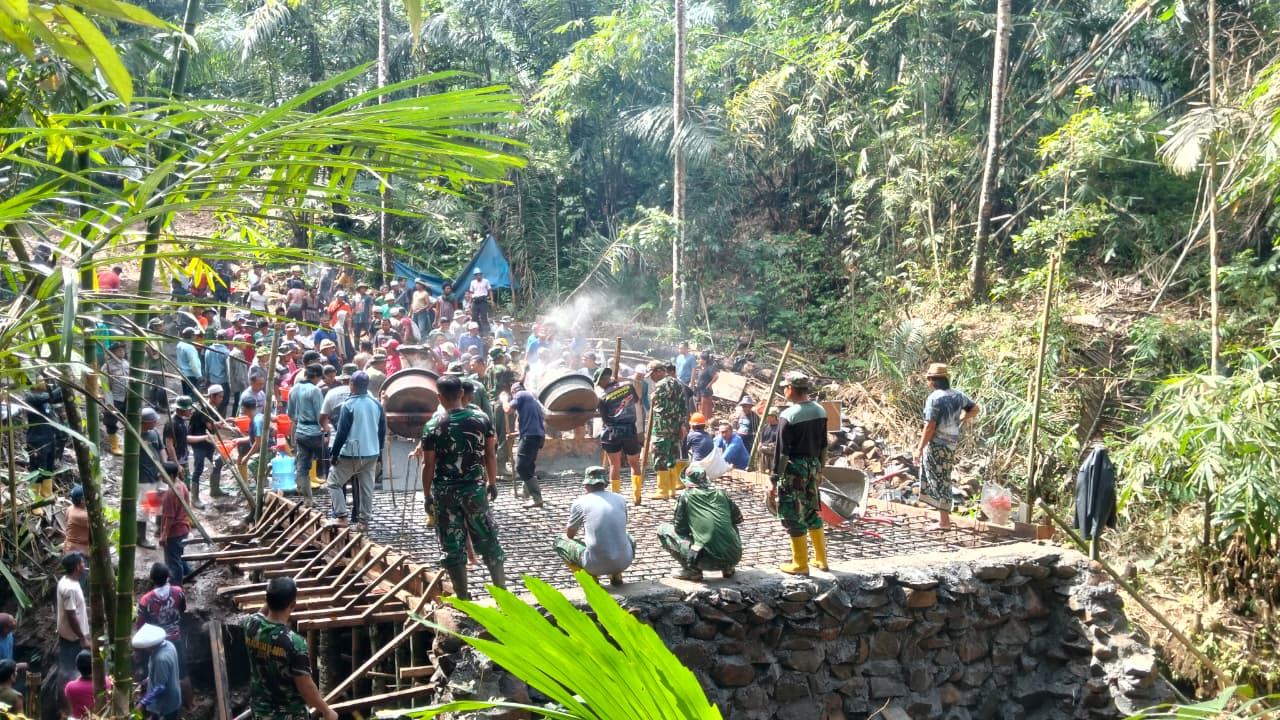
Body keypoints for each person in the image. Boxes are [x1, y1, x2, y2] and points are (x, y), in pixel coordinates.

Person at [420, 375, 505, 600]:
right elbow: (490, 454)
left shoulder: (433, 425)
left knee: (452, 544)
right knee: (488, 539)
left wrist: (427, 495)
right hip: (475, 490)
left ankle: (463, 597)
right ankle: (503, 594)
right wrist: (492, 482)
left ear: (439, 397)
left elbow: (428, 464)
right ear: (462, 394)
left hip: (445, 493)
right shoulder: (481, 418)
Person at [244, 577, 337, 720]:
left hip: (260, 712)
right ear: (293, 604)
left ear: (267, 600)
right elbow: (306, 688)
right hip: (289, 715)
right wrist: (326, 711)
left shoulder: (251, 625)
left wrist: (275, 593)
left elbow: (262, 613)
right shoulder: (294, 643)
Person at [769, 373, 829, 576]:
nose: (784, 390)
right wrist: (820, 469)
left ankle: (800, 564)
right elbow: (823, 445)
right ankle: (821, 559)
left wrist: (774, 479)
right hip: (813, 467)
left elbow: (782, 453)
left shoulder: (789, 416)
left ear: (791, 389)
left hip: (794, 470)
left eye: (785, 386)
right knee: (811, 510)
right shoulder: (820, 410)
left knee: (793, 514)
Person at [913, 363, 980, 530]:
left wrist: (920, 448)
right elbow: (975, 409)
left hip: (936, 445)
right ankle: (943, 518)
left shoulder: (934, 398)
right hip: (950, 445)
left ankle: (944, 522)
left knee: (938, 480)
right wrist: (961, 419)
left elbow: (930, 426)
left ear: (932, 380)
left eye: (928, 379)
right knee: (944, 477)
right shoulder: (958, 395)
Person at [657, 467, 743, 581]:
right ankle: (727, 568)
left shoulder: (685, 497)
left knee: (663, 530)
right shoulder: (721, 494)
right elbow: (738, 518)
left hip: (705, 560)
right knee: (731, 524)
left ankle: (692, 570)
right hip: (733, 557)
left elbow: (680, 529)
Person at [553, 466, 634, 585]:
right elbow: (622, 525)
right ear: (606, 484)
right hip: (624, 562)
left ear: (586, 485)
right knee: (629, 537)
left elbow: (570, 534)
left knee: (560, 541)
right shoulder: (620, 499)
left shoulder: (580, 503)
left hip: (594, 565)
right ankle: (616, 576)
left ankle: (591, 581)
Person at [327, 372, 386, 529]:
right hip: (372, 452)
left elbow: (342, 432)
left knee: (333, 483)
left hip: (352, 453)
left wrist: (334, 454)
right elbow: (382, 430)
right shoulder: (376, 404)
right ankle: (363, 521)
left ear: (351, 385)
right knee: (366, 488)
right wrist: (379, 451)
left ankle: (341, 516)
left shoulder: (349, 405)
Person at [135, 563, 190, 704]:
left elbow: (140, 626)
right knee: (182, 673)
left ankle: (153, 705)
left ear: (151, 579)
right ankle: (190, 704)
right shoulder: (178, 591)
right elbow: (182, 609)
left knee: (155, 675)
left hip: (155, 644)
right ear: (168, 577)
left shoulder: (146, 600)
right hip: (176, 638)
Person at [594, 367, 644, 505]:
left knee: (614, 465)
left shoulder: (603, 398)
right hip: (630, 431)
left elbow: (605, 419)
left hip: (612, 433)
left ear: (604, 380)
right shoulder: (628, 386)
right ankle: (637, 497)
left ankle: (616, 499)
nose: (599, 386)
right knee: (634, 463)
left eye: (599, 383)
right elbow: (635, 401)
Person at [646, 361, 685, 499]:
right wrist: (682, 424)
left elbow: (661, 407)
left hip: (662, 427)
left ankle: (662, 490)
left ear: (659, 371)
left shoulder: (662, 385)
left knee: (659, 455)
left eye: (652, 374)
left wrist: (654, 398)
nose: (652, 378)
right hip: (675, 426)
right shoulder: (677, 383)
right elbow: (682, 406)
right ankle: (672, 489)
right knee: (671, 456)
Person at [503, 379, 545, 507]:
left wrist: (504, 399)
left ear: (513, 392)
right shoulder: (533, 402)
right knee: (529, 465)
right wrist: (513, 435)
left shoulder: (521, 395)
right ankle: (525, 491)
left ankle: (537, 498)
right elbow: (533, 424)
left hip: (530, 437)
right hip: (536, 436)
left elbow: (508, 409)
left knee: (520, 466)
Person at [287, 364, 325, 505]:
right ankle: (338, 499)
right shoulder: (315, 391)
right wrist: (325, 431)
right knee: (328, 462)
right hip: (314, 432)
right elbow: (320, 415)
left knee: (303, 465)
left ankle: (308, 499)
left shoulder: (294, 389)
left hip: (300, 431)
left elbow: (290, 413)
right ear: (316, 376)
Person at [132, 623, 182, 720]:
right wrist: (146, 681)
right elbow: (163, 673)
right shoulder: (168, 645)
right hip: (173, 698)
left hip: (165, 705)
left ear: (150, 646)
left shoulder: (160, 659)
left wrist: (142, 703)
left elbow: (160, 686)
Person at [56, 552, 90, 683]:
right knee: (71, 671)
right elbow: (71, 615)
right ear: (77, 566)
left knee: (67, 668)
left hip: (68, 635)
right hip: (73, 638)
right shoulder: (70, 589)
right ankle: (69, 696)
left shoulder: (66, 580)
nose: (84, 564)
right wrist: (82, 638)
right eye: (82, 562)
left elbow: (72, 609)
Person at [137, 407, 167, 549]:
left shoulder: (154, 432)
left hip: (157, 474)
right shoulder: (136, 435)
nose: (156, 422)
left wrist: (164, 466)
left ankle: (158, 529)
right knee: (145, 507)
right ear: (146, 422)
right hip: (144, 477)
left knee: (160, 502)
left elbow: (161, 449)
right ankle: (141, 537)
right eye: (154, 421)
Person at [158, 476, 192, 586]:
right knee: (178, 554)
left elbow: (170, 518)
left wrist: (164, 536)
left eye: (161, 473)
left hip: (175, 531)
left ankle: (176, 588)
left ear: (168, 475)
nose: (159, 475)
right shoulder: (181, 485)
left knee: (173, 562)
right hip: (183, 527)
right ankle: (189, 573)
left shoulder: (170, 494)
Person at [102, 342, 129, 456]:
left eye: (122, 350)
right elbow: (105, 386)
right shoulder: (107, 367)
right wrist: (109, 403)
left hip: (127, 397)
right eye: (118, 351)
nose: (121, 352)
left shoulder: (126, 363)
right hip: (115, 399)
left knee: (130, 420)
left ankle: (130, 443)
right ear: (112, 353)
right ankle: (114, 446)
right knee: (111, 422)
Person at [63, 650, 106, 719]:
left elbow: (70, 708)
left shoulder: (70, 687)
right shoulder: (106, 682)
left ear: (77, 667)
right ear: (95, 666)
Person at [64, 485, 91, 555]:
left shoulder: (70, 508)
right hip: (77, 551)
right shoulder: (82, 516)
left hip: (71, 547)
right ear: (82, 500)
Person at [175, 327, 203, 397]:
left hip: (183, 375)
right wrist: (199, 376)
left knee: (186, 396)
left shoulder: (179, 345)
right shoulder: (190, 348)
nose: (196, 337)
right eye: (195, 335)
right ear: (191, 336)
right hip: (191, 376)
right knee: (192, 398)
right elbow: (193, 364)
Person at [694, 351, 718, 420]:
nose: (698, 360)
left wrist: (709, 385)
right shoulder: (702, 369)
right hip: (700, 391)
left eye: (700, 359)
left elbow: (716, 376)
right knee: (701, 408)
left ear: (704, 361)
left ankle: (706, 423)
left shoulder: (709, 368)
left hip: (706, 392)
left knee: (706, 410)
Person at [468, 268, 492, 333]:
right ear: (475, 276)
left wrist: (492, 300)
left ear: (481, 275)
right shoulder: (472, 282)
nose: (479, 276)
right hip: (475, 300)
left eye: (480, 275)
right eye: (477, 275)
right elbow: (471, 292)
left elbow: (490, 290)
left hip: (483, 300)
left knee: (483, 316)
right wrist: (470, 303)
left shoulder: (486, 281)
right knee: (474, 317)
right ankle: (477, 331)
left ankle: (486, 332)